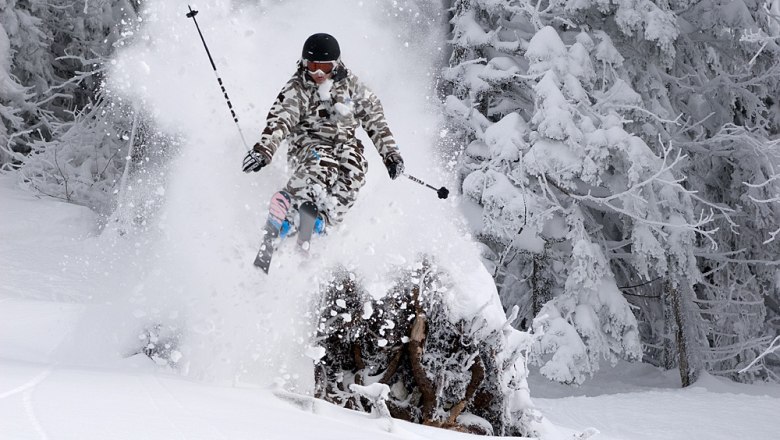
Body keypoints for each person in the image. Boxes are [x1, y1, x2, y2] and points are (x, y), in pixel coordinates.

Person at [242, 33, 404, 237]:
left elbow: (376, 120)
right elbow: (280, 120)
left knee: (355, 169)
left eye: (325, 67)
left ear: (336, 65)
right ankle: (288, 214)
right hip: (308, 145)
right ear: (304, 64)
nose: (318, 73)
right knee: (323, 164)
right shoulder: (298, 87)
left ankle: (321, 221)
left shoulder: (352, 86)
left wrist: (391, 155)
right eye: (312, 66)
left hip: (345, 144)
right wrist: (264, 150)